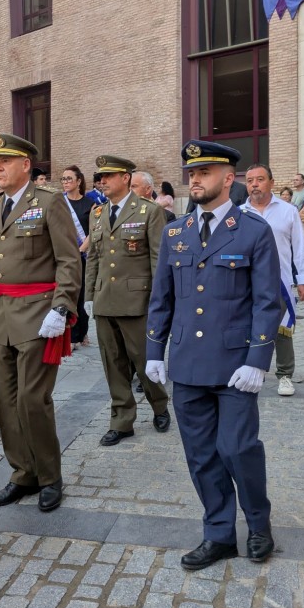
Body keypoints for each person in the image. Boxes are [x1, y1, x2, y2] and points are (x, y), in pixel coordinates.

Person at [146, 140, 280, 571]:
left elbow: (267, 302)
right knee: (201, 454)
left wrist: (258, 360)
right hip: (187, 362)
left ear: (228, 178)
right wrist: (154, 350)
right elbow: (161, 298)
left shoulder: (253, 230)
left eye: (205, 172)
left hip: (235, 365)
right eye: (191, 173)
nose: (195, 179)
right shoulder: (175, 232)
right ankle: (218, 533)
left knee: (238, 448)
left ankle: (258, 524)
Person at [0, 134, 81, 512]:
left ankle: (50, 476)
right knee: (6, 401)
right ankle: (23, 473)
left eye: (5, 161)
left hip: (38, 314)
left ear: (26, 165)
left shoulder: (49, 203)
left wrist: (61, 308)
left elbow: (69, 260)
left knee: (33, 400)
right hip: (0, 314)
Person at [84, 155, 170, 445]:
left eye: (108, 176)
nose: (102, 181)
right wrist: (89, 295)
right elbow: (94, 257)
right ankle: (122, 420)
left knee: (144, 360)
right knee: (114, 363)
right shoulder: (97, 214)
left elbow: (158, 259)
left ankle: (159, 405)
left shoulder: (148, 211)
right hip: (105, 301)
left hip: (137, 301)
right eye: (100, 177)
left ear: (125, 178)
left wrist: (158, 300)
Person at [241, 164, 304, 397]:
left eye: (260, 179)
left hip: (279, 281)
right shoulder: (238, 213)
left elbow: (299, 247)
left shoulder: (288, 210)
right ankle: (250, 370)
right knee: (245, 327)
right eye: (250, 180)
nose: (254, 184)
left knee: (282, 329)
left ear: (271, 182)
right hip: (245, 282)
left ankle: (284, 375)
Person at [60, 165, 93, 348]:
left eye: (69, 178)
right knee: (67, 294)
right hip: (63, 255)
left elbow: (93, 231)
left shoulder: (90, 204)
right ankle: (72, 335)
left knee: (81, 296)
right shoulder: (59, 202)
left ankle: (80, 333)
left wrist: (80, 249)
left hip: (82, 255)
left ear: (79, 181)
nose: (65, 182)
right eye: (63, 179)